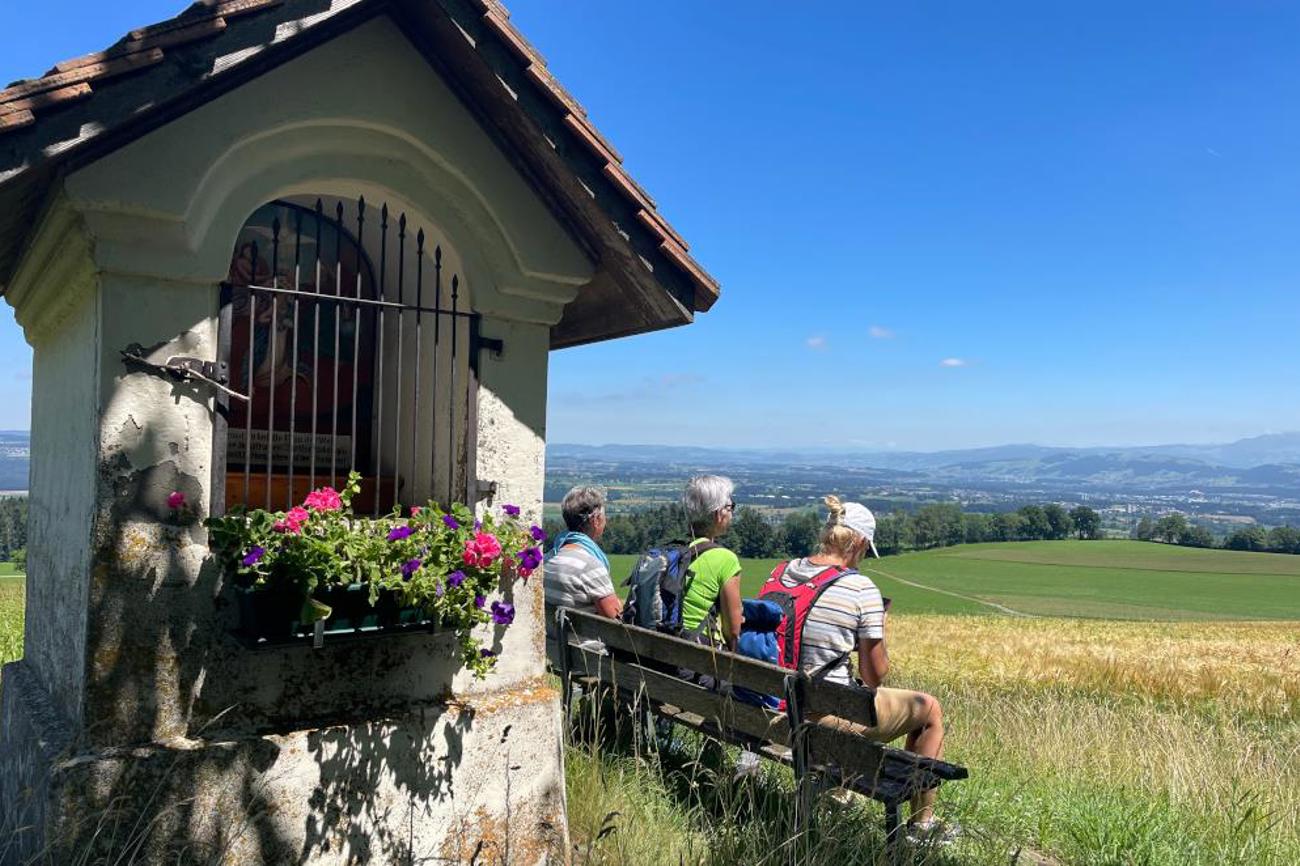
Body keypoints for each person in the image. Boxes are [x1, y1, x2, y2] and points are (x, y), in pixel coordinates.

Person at [771, 495, 957, 843]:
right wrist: (878, 626)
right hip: (819, 721)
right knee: (929, 709)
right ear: (858, 543)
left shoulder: (782, 571)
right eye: (865, 551)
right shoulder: (860, 587)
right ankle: (922, 825)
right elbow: (874, 676)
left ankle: (837, 794)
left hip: (772, 710)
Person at [543, 486, 621, 665]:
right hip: (589, 658)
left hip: (556, 651)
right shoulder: (589, 565)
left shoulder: (549, 558)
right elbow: (616, 620)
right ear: (596, 520)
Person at [679, 475, 744, 649]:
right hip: (698, 657)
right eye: (730, 507)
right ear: (718, 514)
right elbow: (733, 632)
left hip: (657, 650)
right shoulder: (725, 559)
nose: (731, 512)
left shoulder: (671, 551)